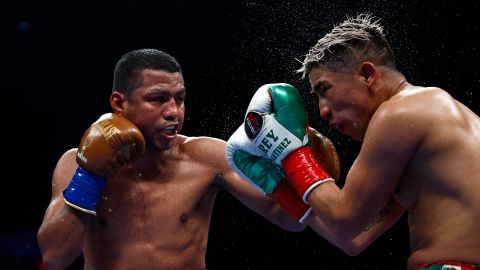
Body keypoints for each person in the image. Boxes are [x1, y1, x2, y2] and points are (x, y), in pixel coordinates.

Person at [226, 14, 480, 269]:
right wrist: (277, 184)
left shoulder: (401, 113)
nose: (323, 111)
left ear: (367, 74)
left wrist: (290, 153)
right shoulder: (431, 127)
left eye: (324, 90)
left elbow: (343, 219)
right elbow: (352, 238)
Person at [37, 48, 317, 270]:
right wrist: (92, 176)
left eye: (179, 99)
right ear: (119, 103)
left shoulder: (207, 157)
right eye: (158, 99)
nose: (174, 112)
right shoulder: (76, 163)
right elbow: (54, 258)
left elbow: (293, 220)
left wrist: (301, 162)